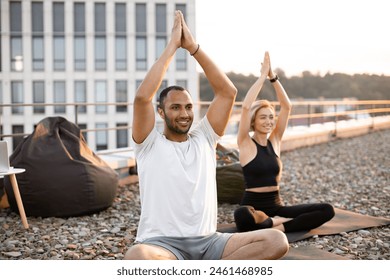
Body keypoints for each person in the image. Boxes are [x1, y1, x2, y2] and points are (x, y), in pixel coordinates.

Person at [124, 11, 289, 260]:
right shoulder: (148, 142)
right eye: (175, 107)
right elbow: (142, 98)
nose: (184, 113)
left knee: (276, 240)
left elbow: (227, 92)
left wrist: (193, 47)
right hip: (163, 245)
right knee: (137, 256)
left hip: (210, 242)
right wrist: (172, 47)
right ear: (160, 111)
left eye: (189, 107)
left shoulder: (205, 136)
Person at [234, 52, 335, 233]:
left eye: (271, 117)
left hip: (277, 206)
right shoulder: (245, 143)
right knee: (242, 215)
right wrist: (262, 77)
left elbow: (287, 106)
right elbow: (246, 106)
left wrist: (273, 77)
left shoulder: (275, 140)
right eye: (263, 117)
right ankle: (273, 223)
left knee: (327, 210)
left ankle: (278, 226)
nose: (269, 121)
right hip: (254, 208)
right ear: (253, 121)